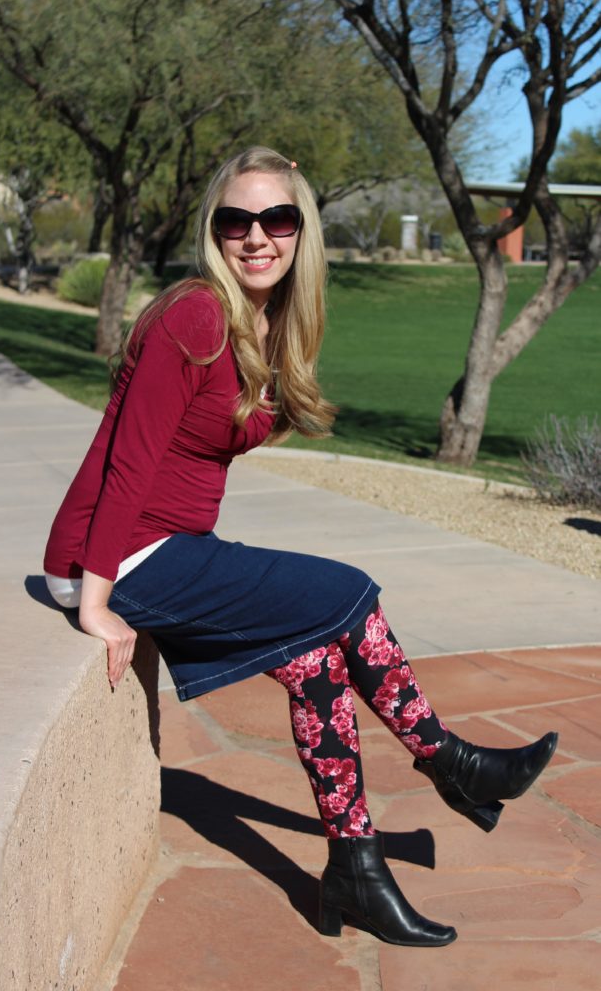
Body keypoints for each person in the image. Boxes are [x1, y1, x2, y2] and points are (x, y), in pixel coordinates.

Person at [44, 146, 558, 948]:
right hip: (126, 553)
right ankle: (447, 760)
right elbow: (127, 462)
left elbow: (221, 433)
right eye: (236, 220)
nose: (256, 236)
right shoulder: (194, 313)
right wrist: (96, 604)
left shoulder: (260, 323)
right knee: (346, 590)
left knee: (317, 663)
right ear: (214, 231)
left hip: (169, 548)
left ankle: (354, 869)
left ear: (298, 232)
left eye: (275, 219)